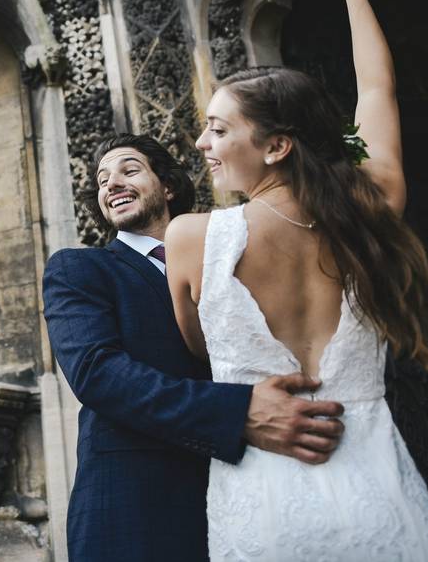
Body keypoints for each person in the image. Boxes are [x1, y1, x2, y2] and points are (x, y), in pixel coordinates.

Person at [165, 0, 428, 560]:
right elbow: (376, 93)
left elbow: (196, 344)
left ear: (275, 146)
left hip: (267, 513)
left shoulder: (189, 238)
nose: (201, 145)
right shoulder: (370, 213)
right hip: (384, 501)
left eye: (217, 129)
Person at [43, 134, 346, 561]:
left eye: (129, 170)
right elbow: (98, 373)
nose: (111, 184)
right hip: (138, 505)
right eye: (102, 179)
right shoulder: (79, 269)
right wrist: (239, 412)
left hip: (259, 488)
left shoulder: (233, 257)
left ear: (167, 187)